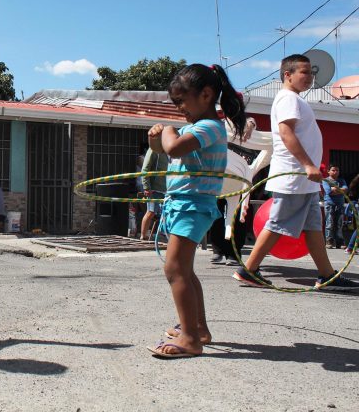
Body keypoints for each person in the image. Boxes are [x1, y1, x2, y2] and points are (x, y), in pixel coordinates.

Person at [232, 54, 359, 291]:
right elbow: (286, 133)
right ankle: (248, 270)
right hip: (295, 176)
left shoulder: (295, 100)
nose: (310, 77)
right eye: (304, 72)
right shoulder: (288, 99)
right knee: (277, 223)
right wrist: (308, 165)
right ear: (287, 74)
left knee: (312, 228)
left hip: (303, 180)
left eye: (311, 72)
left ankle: (326, 275)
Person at [146, 63, 247, 358]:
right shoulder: (191, 128)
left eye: (181, 101)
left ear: (205, 94)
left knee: (175, 268)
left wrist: (167, 131)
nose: (179, 108)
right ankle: (198, 328)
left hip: (193, 206)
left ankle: (190, 338)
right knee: (184, 270)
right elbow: (164, 149)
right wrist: (156, 138)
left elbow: (174, 149)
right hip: (181, 204)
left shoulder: (209, 127)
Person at [139, 147, 167, 241]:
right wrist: (146, 187)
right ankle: (143, 236)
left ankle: (164, 234)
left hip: (167, 188)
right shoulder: (154, 149)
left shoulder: (170, 149)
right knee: (151, 212)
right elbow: (145, 169)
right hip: (154, 189)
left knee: (168, 212)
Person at [322, 164, 347, 249]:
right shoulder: (325, 180)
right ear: (328, 171)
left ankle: (339, 242)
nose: (335, 172)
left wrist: (335, 189)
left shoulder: (342, 180)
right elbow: (329, 192)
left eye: (337, 170)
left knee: (339, 224)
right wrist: (339, 190)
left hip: (340, 204)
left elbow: (345, 190)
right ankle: (329, 241)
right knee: (329, 223)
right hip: (329, 204)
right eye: (333, 170)